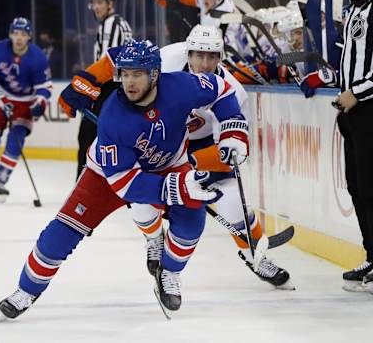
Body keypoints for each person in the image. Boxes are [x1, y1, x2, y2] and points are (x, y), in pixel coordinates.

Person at [0, 39, 248, 320]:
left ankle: (170, 272)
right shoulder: (112, 118)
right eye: (125, 74)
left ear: (155, 74)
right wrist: (177, 188)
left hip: (170, 164)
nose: (129, 82)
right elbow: (125, 184)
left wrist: (233, 130)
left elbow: (223, 91)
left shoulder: (181, 86)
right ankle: (26, 290)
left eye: (137, 74)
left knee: (192, 222)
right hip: (107, 175)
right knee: (63, 230)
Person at [59, 25, 292, 289]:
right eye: (197, 56)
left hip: (201, 147)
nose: (204, 63)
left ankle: (256, 256)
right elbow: (120, 57)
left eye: (211, 57)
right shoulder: (169, 58)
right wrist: (86, 80)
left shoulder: (232, 92)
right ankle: (154, 239)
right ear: (187, 52)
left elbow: (229, 149)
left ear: (221, 57)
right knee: (141, 199)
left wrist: (193, 171)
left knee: (233, 203)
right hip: (157, 140)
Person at [0, 17, 52, 202]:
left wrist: (40, 101)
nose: (19, 38)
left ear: (29, 37)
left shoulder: (38, 58)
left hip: (25, 101)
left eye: (23, 34)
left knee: (17, 136)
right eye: (16, 33)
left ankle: (1, 179)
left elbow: (45, 86)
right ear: (10, 34)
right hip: (0, 96)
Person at [65, 0, 133, 180]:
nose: (96, 7)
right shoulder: (117, 23)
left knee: (87, 136)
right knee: (98, 137)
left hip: (109, 89)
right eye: (93, 3)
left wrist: (86, 86)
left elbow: (108, 63)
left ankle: (83, 185)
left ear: (110, 4)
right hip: (117, 89)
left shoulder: (112, 24)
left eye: (100, 2)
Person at [333, 0, 373, 294]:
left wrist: (357, 92)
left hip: (369, 110)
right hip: (352, 113)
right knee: (357, 186)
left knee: (371, 188)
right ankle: (372, 256)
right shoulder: (353, 10)